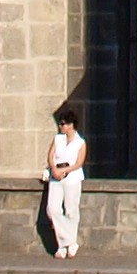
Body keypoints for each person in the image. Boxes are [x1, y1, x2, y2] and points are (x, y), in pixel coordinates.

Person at [43, 103, 88, 259]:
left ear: (71, 125)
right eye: (60, 123)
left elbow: (79, 163)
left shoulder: (80, 143)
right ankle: (68, 241)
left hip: (72, 177)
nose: (61, 126)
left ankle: (64, 245)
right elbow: (51, 155)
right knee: (52, 209)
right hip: (56, 177)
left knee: (71, 209)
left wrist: (64, 171)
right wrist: (54, 168)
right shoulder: (58, 139)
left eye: (63, 124)